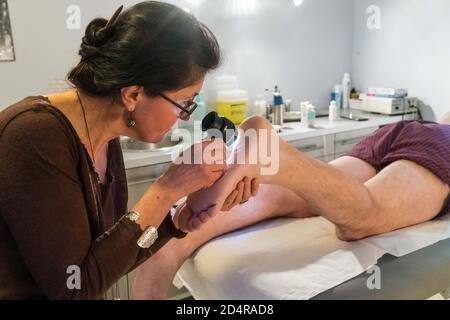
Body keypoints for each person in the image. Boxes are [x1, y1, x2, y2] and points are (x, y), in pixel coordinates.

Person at [0, 2, 257, 300]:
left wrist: (175, 220)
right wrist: (166, 189)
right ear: (133, 94)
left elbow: (108, 259)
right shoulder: (33, 136)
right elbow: (74, 288)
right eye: (184, 102)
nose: (184, 115)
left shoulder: (106, 138)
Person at [134, 113, 450, 299]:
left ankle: (175, 235)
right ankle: (278, 156)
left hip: (404, 130)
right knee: (367, 215)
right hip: (442, 139)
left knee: (299, 196)